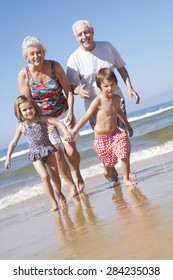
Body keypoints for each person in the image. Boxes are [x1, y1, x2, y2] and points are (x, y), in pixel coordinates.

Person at [67, 19, 140, 182]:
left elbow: (121, 68)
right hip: (94, 105)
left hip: (115, 99)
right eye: (80, 34)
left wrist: (130, 87)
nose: (84, 36)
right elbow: (70, 86)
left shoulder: (106, 46)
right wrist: (78, 90)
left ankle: (126, 175)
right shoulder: (74, 58)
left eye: (86, 32)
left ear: (92, 31)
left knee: (122, 137)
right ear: (75, 37)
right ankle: (110, 170)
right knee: (105, 140)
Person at [18, 36, 84, 193]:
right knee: (58, 155)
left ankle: (78, 174)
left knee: (71, 151)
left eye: (39, 52)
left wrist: (71, 112)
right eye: (32, 54)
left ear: (43, 52)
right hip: (44, 121)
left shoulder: (55, 66)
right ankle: (72, 186)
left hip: (63, 112)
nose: (36, 56)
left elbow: (68, 91)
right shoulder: (24, 75)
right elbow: (27, 104)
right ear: (26, 56)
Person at [4, 95, 77, 212]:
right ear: (19, 113)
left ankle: (59, 193)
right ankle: (53, 202)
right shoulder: (22, 127)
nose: (28, 111)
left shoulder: (42, 119)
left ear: (34, 107)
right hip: (35, 154)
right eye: (24, 110)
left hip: (48, 150)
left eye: (30, 108)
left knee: (55, 177)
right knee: (45, 176)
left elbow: (58, 123)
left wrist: (66, 132)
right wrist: (8, 158)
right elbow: (13, 143)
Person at [71, 68, 137, 187]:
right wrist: (74, 131)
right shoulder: (98, 100)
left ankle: (126, 179)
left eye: (112, 84)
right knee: (108, 162)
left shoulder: (117, 98)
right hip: (101, 137)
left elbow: (119, 113)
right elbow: (86, 117)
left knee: (124, 152)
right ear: (100, 86)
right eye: (106, 86)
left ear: (115, 83)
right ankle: (106, 170)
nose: (110, 88)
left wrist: (128, 126)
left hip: (115, 132)